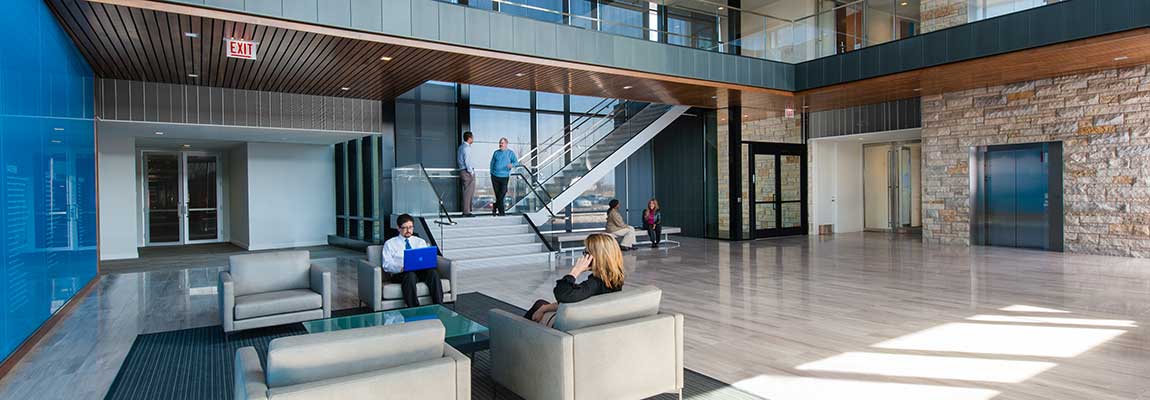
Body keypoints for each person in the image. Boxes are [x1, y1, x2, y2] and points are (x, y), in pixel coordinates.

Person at [524, 233, 625, 326]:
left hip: (574, 324)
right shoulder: (614, 279)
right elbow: (575, 298)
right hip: (589, 320)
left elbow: (562, 295)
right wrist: (544, 308)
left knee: (538, 306)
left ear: (596, 256)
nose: (584, 256)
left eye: (586, 253)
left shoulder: (595, 284)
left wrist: (575, 271)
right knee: (541, 304)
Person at [380, 214, 444, 308]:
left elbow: (424, 258)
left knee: (433, 273)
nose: (408, 230)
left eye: (410, 227)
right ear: (398, 228)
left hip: (419, 271)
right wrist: (400, 268)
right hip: (401, 273)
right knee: (410, 275)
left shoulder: (420, 241)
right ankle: (414, 309)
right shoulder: (390, 244)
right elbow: (386, 264)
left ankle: (439, 306)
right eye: (405, 228)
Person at [488, 137, 519, 216]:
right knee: (498, 194)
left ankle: (495, 205)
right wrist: (491, 172)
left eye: (502, 143)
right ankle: (501, 213)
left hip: (504, 176)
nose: (500, 144)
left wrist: (512, 165)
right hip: (495, 176)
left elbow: (516, 162)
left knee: (503, 192)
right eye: (500, 143)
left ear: (506, 144)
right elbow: (492, 163)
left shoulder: (510, 153)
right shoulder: (496, 153)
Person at [457, 131, 476, 217]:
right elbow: (467, 161)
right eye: (472, 137)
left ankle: (467, 210)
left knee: (466, 191)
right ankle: (466, 212)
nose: (473, 139)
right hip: (467, 172)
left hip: (462, 171)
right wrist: (471, 172)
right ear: (469, 138)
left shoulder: (461, 147)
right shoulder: (467, 148)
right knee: (468, 192)